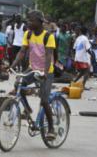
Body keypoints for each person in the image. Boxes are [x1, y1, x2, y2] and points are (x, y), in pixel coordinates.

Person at [9, 10, 57, 141]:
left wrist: (45, 73)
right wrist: (12, 66)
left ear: (40, 22)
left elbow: (48, 56)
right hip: (32, 68)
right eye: (28, 20)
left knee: (44, 100)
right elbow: (22, 51)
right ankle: (28, 109)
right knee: (18, 83)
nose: (28, 22)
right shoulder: (28, 34)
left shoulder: (48, 36)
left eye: (31, 20)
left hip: (47, 71)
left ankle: (51, 128)